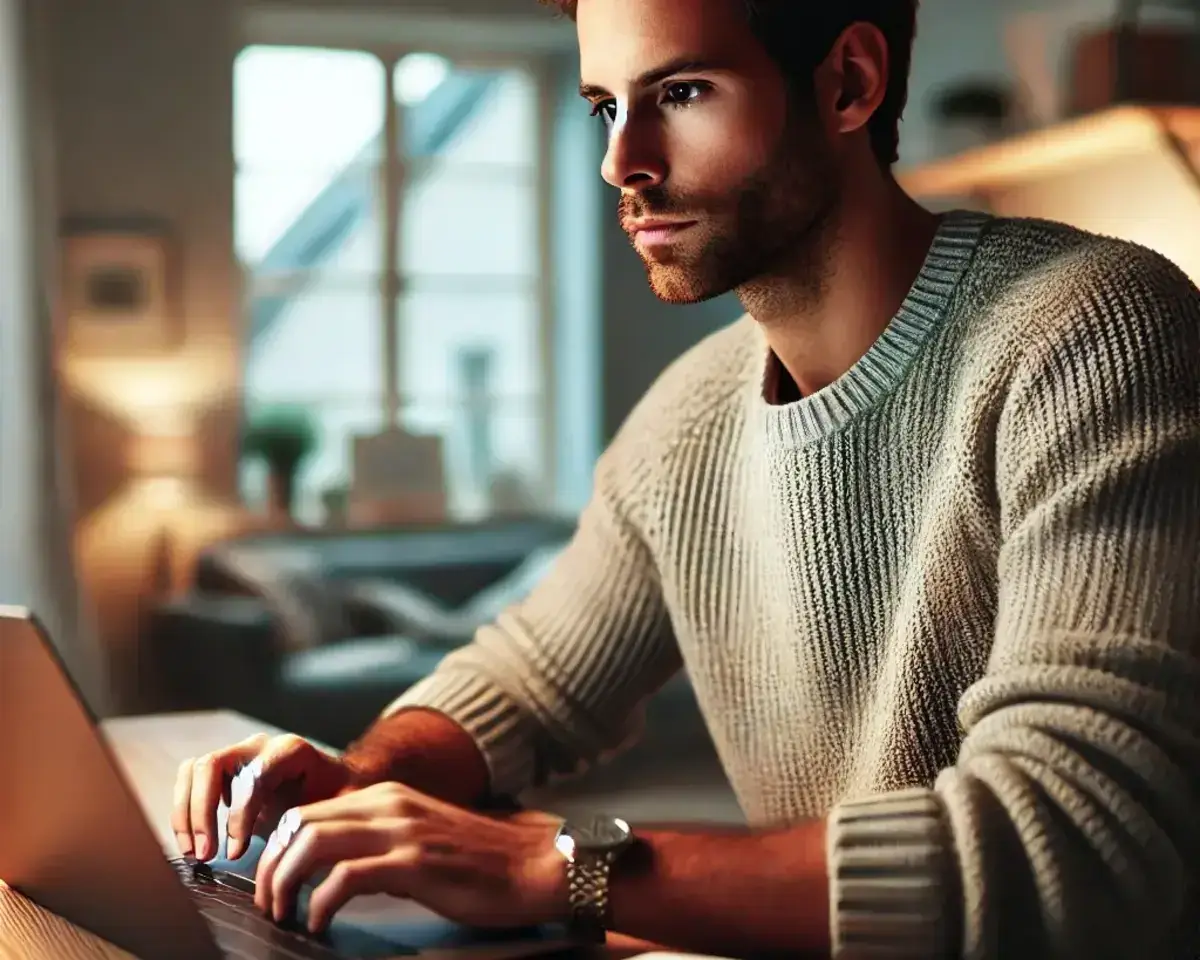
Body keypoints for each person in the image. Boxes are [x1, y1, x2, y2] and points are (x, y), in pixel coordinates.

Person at [174, 0, 1200, 955]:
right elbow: (530, 682)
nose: (623, 160)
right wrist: (365, 774)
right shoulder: (689, 413)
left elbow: (1081, 843)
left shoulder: (1095, 333)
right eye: (604, 106)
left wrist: (556, 866)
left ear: (847, 82)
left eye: (681, 95)